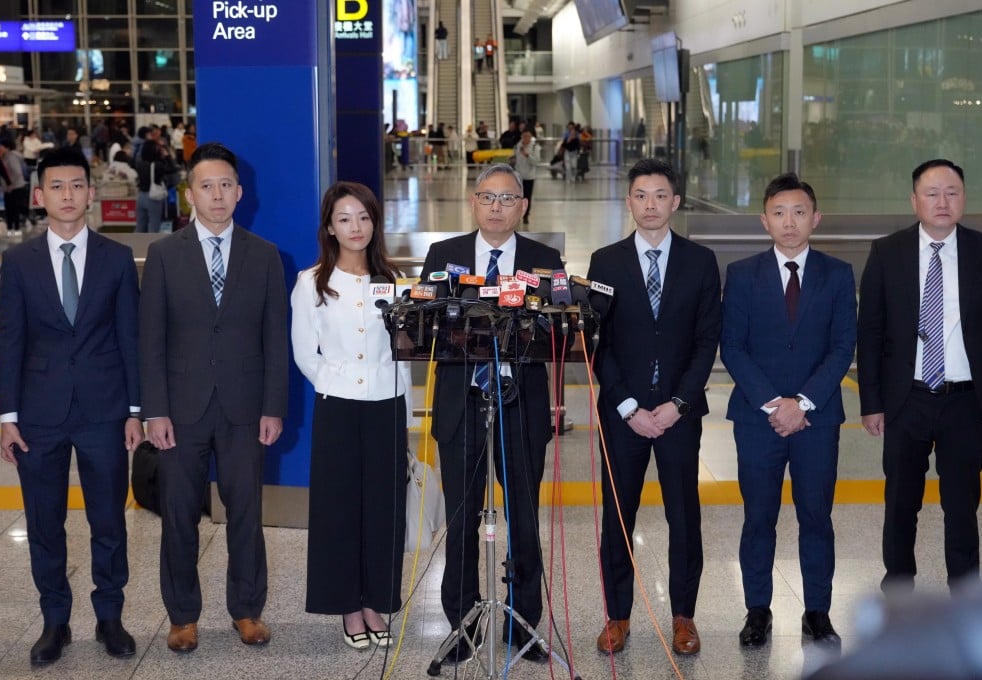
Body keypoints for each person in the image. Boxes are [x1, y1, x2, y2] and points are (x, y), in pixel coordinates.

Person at [139, 142, 289, 653]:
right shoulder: (163, 255)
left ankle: (247, 610)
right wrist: (154, 409)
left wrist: (274, 406)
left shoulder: (266, 256)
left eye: (227, 185)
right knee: (178, 513)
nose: (218, 194)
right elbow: (150, 339)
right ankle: (182, 615)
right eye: (207, 185)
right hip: (180, 410)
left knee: (245, 512)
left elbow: (276, 338)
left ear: (241, 192)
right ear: (189, 194)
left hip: (246, 409)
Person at [0, 147, 143, 665]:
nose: (67, 194)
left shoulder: (117, 258)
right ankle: (54, 622)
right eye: (56, 186)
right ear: (39, 196)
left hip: (105, 410)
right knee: (44, 523)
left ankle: (110, 617)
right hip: (38, 414)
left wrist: (134, 410)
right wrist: (7, 418)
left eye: (76, 185)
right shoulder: (17, 263)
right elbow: (10, 340)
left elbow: (131, 336)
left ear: (90, 193)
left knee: (108, 521)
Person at [420, 164, 563, 663]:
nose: (497, 206)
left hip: (522, 407)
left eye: (508, 198)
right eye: (488, 197)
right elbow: (425, 327)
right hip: (462, 407)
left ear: (523, 206)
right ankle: (463, 623)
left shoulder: (546, 260)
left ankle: (522, 624)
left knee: (524, 518)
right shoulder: (445, 256)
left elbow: (557, 334)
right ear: (473, 202)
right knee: (460, 520)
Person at [857, 159, 982, 594]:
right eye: (932, 193)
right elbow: (869, 332)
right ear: (914, 200)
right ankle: (899, 595)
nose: (943, 202)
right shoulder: (887, 252)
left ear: (964, 197)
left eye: (952, 192)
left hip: (965, 401)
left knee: (962, 506)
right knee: (900, 504)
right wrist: (872, 402)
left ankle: (964, 599)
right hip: (907, 397)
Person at [587, 158, 721, 657]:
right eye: (641, 195)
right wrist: (627, 405)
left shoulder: (700, 261)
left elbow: (708, 339)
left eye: (660, 195)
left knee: (684, 515)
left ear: (675, 202)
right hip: (623, 416)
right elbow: (597, 342)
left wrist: (677, 404)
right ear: (629, 202)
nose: (650, 204)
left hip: (679, 416)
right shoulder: (605, 261)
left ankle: (683, 616)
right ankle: (616, 616)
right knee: (617, 517)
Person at [721, 173, 857, 648]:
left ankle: (817, 612)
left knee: (816, 516)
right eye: (779, 213)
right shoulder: (741, 275)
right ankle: (757, 610)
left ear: (815, 218)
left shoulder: (838, 274)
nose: (790, 222)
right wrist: (773, 403)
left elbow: (843, 347)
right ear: (764, 221)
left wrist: (802, 403)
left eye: (799, 212)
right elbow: (733, 347)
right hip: (757, 420)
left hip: (817, 419)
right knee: (759, 516)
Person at [290, 181, 411, 650]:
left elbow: (406, 351)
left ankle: (376, 600)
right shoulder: (312, 281)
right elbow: (304, 352)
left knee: (384, 509)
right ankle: (346, 604)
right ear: (329, 227)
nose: (355, 227)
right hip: (337, 407)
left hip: (386, 406)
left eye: (363, 216)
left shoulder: (394, 280)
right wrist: (337, 380)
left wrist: (400, 403)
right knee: (338, 508)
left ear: (375, 222)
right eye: (345, 218)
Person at [134, 139, 178, 233]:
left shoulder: (139, 163)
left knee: (140, 226)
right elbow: (172, 169)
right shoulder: (157, 165)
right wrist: (167, 156)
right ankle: (149, 247)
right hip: (153, 198)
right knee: (153, 227)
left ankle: (137, 246)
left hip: (141, 196)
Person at [0, 137, 27, 236]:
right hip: (8, 188)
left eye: (1, 146)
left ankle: (16, 228)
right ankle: (9, 228)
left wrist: (11, 185)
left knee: (14, 208)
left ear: (7, 147)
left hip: (15, 187)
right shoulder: (4, 157)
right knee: (8, 208)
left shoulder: (11, 157)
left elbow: (17, 172)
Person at [512, 130, 538, 225]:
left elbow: (536, 162)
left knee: (527, 197)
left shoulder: (535, 147)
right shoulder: (517, 146)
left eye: (528, 136)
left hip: (529, 177)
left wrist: (527, 155)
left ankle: (526, 215)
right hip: (518, 176)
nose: (526, 138)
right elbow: (514, 157)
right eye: (524, 136)